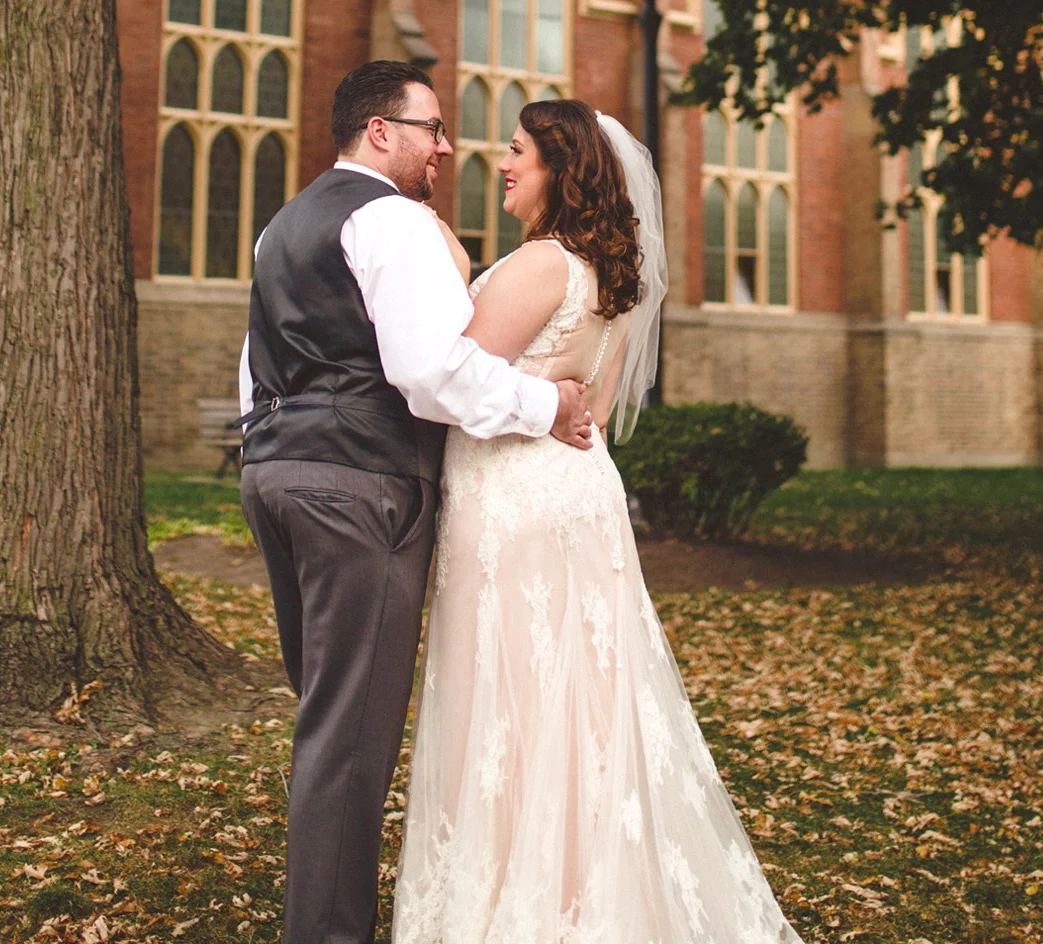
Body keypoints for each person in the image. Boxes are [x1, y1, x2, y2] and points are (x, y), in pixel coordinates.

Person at [393, 100, 804, 943]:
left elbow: (454, 385)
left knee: (507, 696)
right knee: (580, 699)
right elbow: (595, 410)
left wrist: (449, 263)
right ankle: (584, 887)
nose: (501, 163)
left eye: (517, 151)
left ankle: (519, 899)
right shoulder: (611, 275)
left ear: (560, 168)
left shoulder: (540, 264)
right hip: (580, 493)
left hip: (512, 498)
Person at [237, 62, 595, 944]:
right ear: (379, 131)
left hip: (274, 474)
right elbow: (432, 373)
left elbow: (255, 366)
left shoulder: (285, 224)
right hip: (360, 487)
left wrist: (271, 449)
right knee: (351, 734)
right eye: (430, 128)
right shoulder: (392, 221)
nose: (444, 147)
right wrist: (545, 406)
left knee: (328, 714)